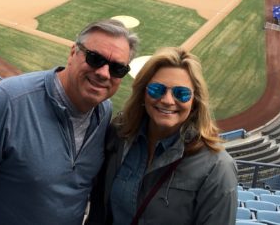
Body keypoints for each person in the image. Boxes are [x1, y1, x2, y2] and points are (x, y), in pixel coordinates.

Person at [0, 19, 139, 225]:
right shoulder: (8, 101)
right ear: (73, 53)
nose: (104, 73)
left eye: (117, 69)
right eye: (95, 58)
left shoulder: (104, 112)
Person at [86, 47, 238, 225]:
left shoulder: (218, 168)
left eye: (181, 93)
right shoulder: (119, 135)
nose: (167, 100)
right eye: (157, 89)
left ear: (194, 101)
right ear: (143, 92)